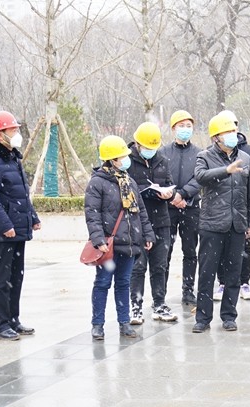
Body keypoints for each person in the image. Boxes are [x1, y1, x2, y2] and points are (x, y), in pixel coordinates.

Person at [84, 135, 155, 340]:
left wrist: (147, 234)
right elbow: (92, 214)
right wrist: (98, 240)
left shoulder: (129, 182)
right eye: (122, 156)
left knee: (123, 283)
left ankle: (124, 323)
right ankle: (97, 324)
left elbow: (141, 212)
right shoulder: (97, 183)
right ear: (112, 159)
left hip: (130, 244)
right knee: (102, 283)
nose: (126, 159)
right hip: (109, 245)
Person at [0, 110, 41, 341]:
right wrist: (5, 225)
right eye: (12, 130)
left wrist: (32, 217)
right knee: (0, 280)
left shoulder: (12, 158)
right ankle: (0, 324)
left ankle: (13, 320)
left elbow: (21, 193)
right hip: (2, 233)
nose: (17, 134)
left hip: (18, 229)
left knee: (16, 277)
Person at [193, 113, 250, 333]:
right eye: (227, 132)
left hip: (237, 224)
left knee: (233, 273)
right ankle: (203, 318)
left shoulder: (245, 158)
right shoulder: (204, 156)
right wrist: (225, 171)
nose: (232, 135)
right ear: (216, 137)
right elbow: (200, 176)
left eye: (233, 131)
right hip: (212, 224)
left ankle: (229, 315)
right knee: (207, 272)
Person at [127, 122, 177, 324]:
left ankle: (159, 303)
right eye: (147, 147)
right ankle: (135, 307)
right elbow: (126, 188)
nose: (150, 150)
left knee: (160, 266)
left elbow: (170, 183)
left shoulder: (162, 160)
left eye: (153, 147)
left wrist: (168, 193)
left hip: (161, 219)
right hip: (137, 220)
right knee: (138, 267)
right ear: (138, 144)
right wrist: (146, 191)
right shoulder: (127, 161)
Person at [213, 110, 250, 301]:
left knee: (244, 250)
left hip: (240, 210)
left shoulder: (247, 152)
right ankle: (222, 282)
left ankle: (244, 282)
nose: (232, 132)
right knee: (220, 251)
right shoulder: (210, 154)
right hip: (220, 212)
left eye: (234, 127)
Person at [162, 110, 202, 305]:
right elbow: (160, 178)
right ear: (173, 128)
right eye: (181, 126)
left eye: (188, 126)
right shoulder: (163, 153)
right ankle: (160, 293)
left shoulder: (200, 154)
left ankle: (188, 290)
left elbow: (199, 179)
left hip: (191, 207)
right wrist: (173, 196)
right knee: (164, 252)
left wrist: (184, 194)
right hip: (167, 209)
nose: (185, 129)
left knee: (190, 251)